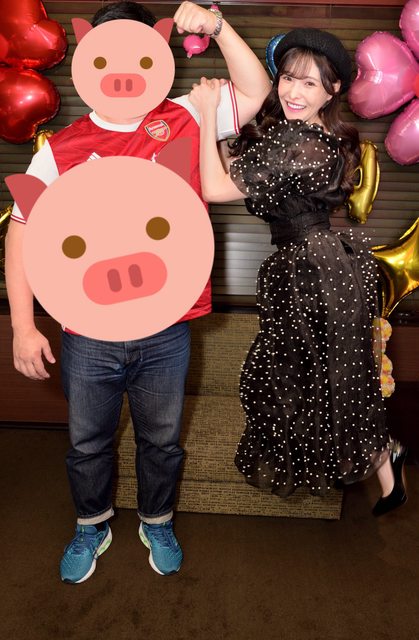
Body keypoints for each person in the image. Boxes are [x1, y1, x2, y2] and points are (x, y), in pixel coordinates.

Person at [5, 1, 271, 583]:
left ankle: (157, 520)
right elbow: (22, 233)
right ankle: (91, 524)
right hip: (87, 334)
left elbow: (256, 91)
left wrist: (218, 25)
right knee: (87, 443)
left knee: (162, 441)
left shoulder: (187, 117)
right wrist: (23, 326)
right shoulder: (59, 148)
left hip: (166, 330)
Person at [189, 27, 408, 515]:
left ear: (332, 91)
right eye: (288, 78)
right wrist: (221, 127)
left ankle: (380, 457)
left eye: (309, 83)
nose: (293, 91)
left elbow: (215, 188)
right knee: (336, 378)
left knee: (312, 380)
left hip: (314, 271)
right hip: (316, 266)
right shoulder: (303, 135)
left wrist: (206, 114)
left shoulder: (302, 143)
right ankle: (386, 466)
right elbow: (234, 167)